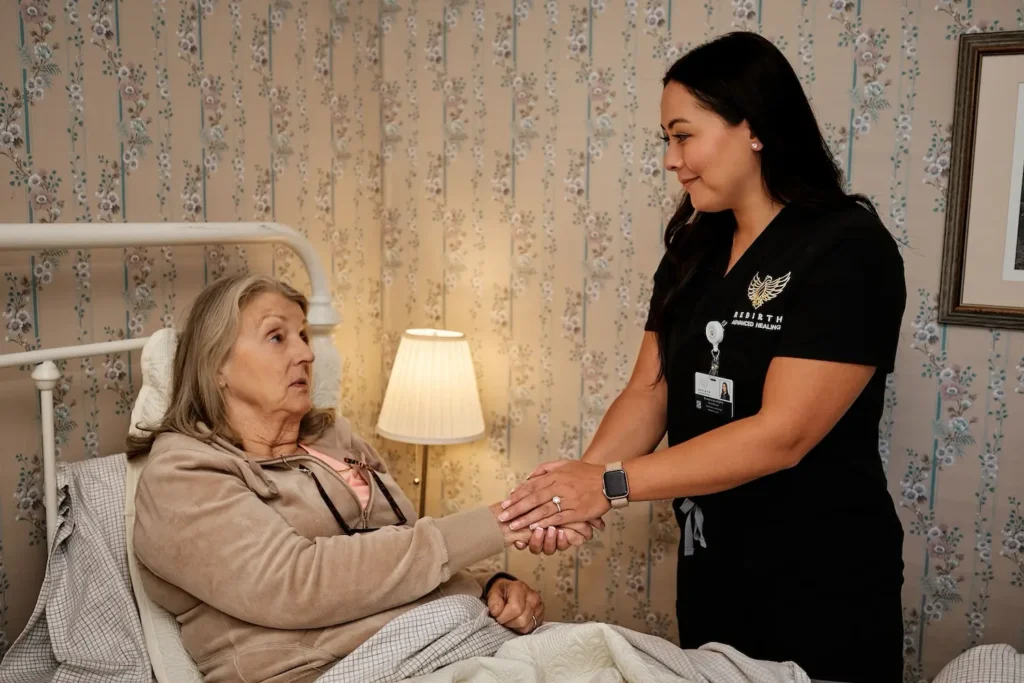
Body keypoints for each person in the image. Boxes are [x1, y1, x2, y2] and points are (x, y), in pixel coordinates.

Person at [497, 31, 906, 683]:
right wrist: (572, 491)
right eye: (667, 138)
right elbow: (648, 390)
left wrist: (606, 483)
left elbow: (785, 434)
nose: (671, 159)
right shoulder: (693, 249)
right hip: (713, 570)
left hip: (820, 578)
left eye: (683, 135)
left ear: (753, 127)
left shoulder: (846, 248)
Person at [128, 274, 599, 683]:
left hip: (438, 638)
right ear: (217, 366)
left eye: (304, 336)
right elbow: (297, 582)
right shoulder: (180, 477)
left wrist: (489, 583)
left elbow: (400, 557)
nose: (305, 354)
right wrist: (502, 521)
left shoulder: (335, 442)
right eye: (277, 337)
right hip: (321, 670)